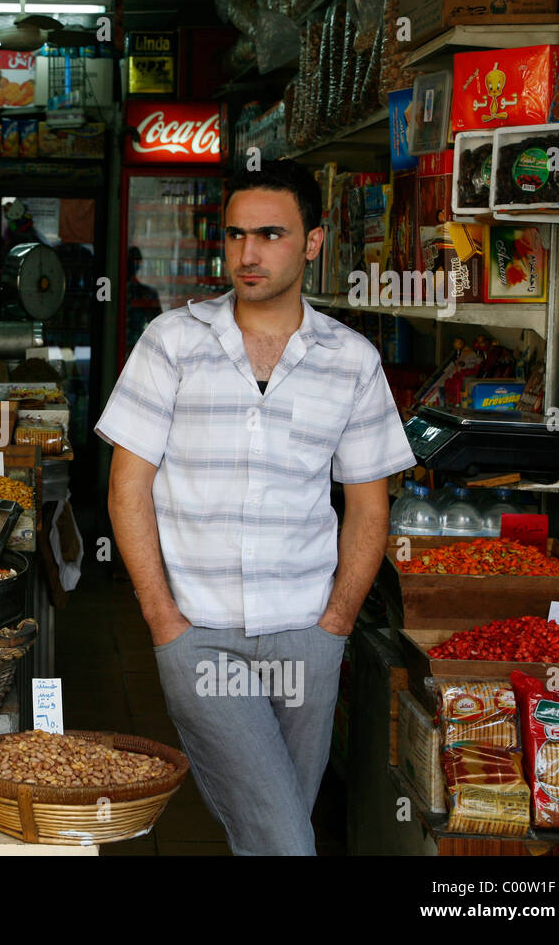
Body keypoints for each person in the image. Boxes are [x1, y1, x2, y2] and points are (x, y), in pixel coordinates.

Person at [95, 160, 415, 855]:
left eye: (270, 234)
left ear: (312, 243)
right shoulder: (172, 344)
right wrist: (161, 618)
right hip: (199, 631)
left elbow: (368, 507)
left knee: (275, 831)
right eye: (236, 235)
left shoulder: (352, 361)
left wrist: (335, 625)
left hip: (306, 631)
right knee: (285, 841)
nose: (247, 253)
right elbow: (127, 485)